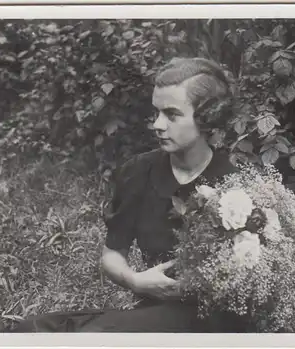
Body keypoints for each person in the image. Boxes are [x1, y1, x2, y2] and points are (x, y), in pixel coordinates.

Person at [12, 57, 245, 333]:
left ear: (207, 119)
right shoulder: (139, 171)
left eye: (172, 114)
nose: (157, 125)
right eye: (156, 113)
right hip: (150, 312)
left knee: (92, 337)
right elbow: (112, 254)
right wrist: (134, 281)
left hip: (207, 323)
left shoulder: (237, 185)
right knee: (29, 330)